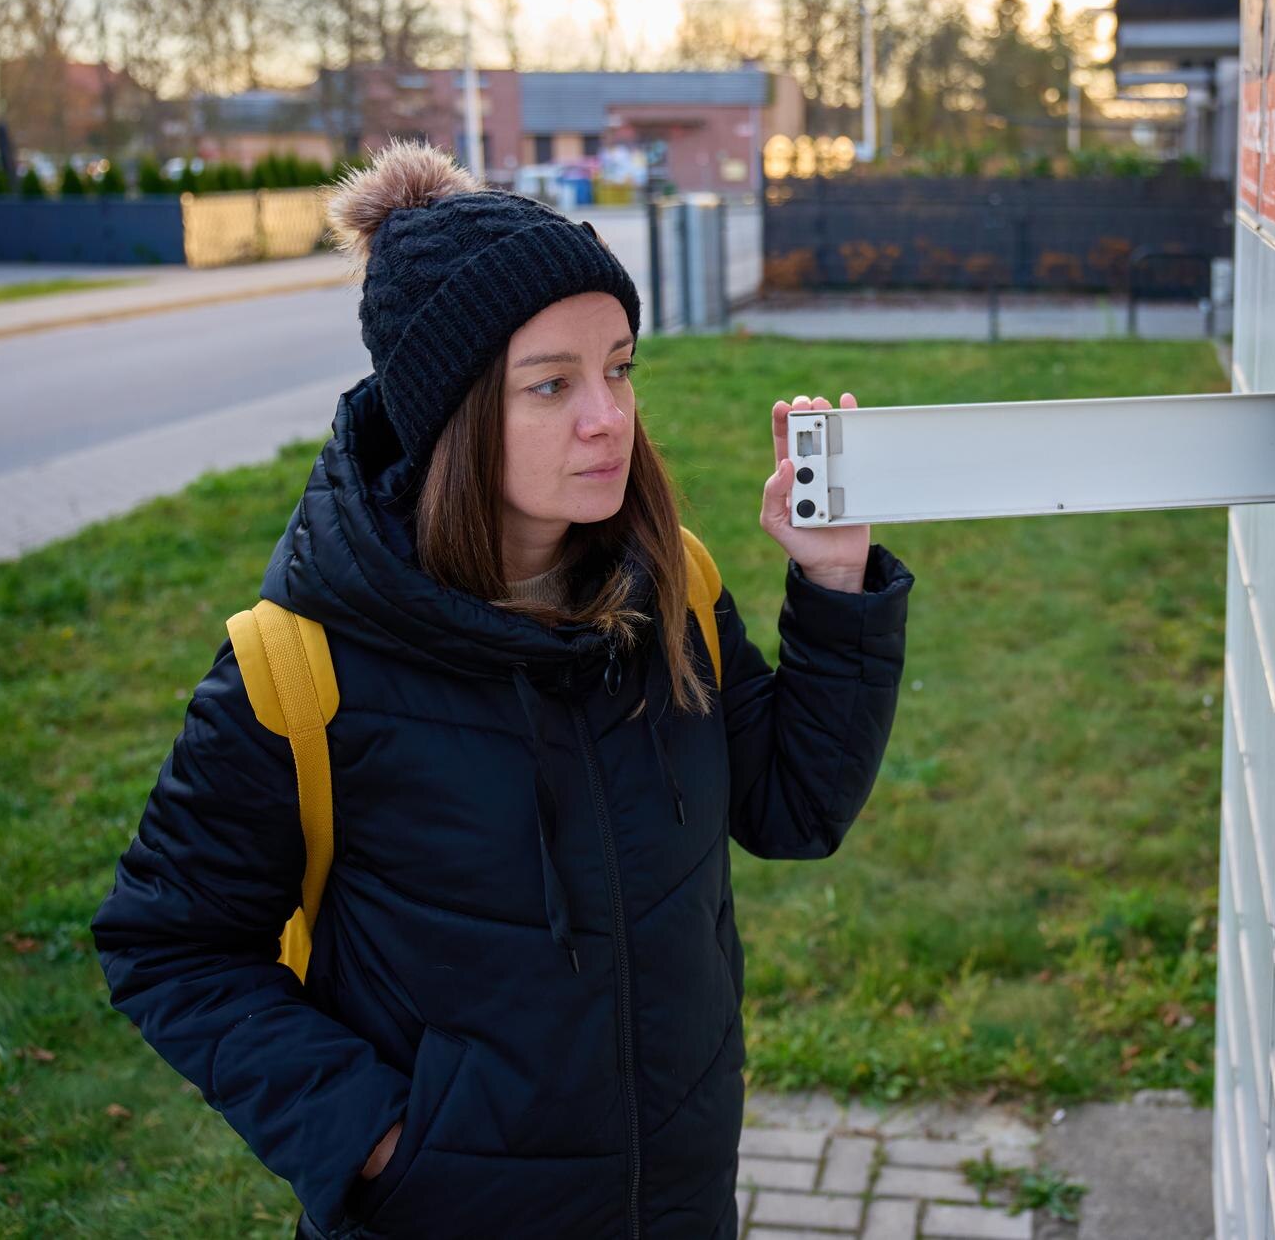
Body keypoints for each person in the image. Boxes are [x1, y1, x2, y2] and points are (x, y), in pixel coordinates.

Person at [89, 139, 915, 1239]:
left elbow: (793, 809)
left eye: (619, 368)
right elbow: (169, 942)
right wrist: (376, 1138)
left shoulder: (669, 584)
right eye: (552, 384)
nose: (607, 418)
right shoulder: (299, 670)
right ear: (453, 412)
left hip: (673, 1204)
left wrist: (831, 581)